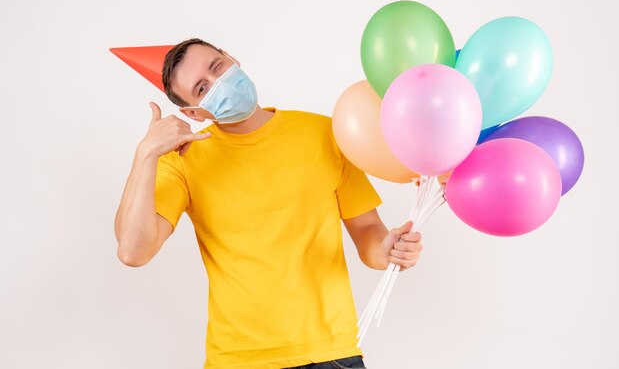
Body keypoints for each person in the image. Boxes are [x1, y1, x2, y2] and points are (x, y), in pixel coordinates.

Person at [114, 38, 424, 369]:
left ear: (232, 58)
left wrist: (388, 250)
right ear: (193, 112)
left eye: (217, 67)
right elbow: (134, 251)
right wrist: (146, 152)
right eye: (202, 88)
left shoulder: (323, 134)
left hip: (331, 354)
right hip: (237, 360)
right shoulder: (183, 160)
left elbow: (367, 233)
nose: (219, 82)